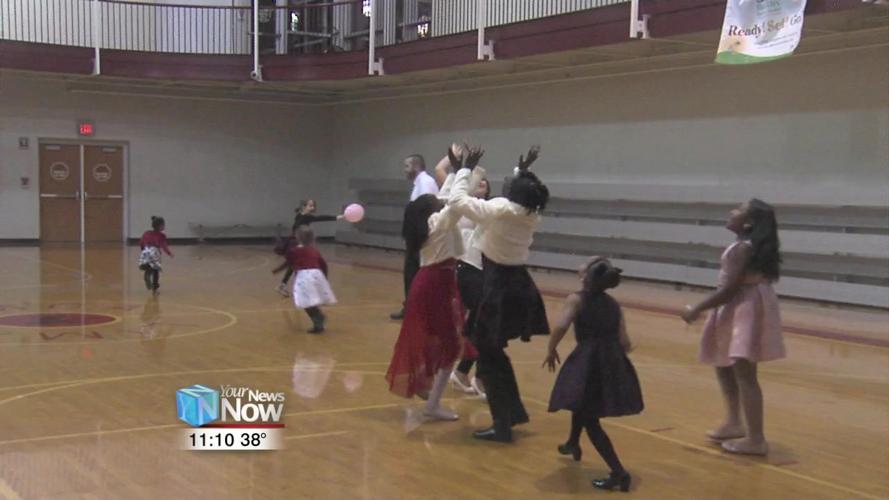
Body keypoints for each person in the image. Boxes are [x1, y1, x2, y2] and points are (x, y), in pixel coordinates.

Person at [448, 145, 550, 442]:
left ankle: (502, 425)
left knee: (489, 358)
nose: (504, 183)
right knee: (494, 354)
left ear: (513, 194)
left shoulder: (500, 209)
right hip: (519, 285)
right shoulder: (530, 212)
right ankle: (512, 413)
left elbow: (456, 200)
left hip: (499, 288)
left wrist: (465, 169)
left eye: (510, 183)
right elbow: (526, 192)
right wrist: (523, 170)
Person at [385, 151, 484, 420]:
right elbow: (454, 202)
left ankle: (428, 391)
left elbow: (449, 197)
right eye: (435, 201)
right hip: (434, 286)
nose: (439, 199)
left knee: (444, 342)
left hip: (433, 283)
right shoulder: (438, 223)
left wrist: (457, 170)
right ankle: (431, 403)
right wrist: (468, 170)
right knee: (450, 344)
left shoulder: (430, 220)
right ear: (431, 211)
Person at [681, 199, 784, 456]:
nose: (731, 212)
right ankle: (734, 421)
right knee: (724, 363)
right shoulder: (744, 247)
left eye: (738, 210)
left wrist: (697, 308)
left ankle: (756, 438)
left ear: (748, 223)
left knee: (745, 374)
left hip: (743, 308)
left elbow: (729, 290)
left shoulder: (743, 250)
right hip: (739, 306)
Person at [544, 257, 643, 492]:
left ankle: (618, 472)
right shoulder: (613, 304)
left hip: (589, 359)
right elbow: (625, 341)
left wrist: (551, 348)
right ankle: (572, 443)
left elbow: (561, 325)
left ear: (585, 276)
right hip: (611, 360)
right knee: (582, 402)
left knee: (590, 418)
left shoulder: (576, 299)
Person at [434, 144, 490, 397]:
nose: (481, 184)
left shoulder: (489, 210)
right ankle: (465, 371)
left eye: (484, 183)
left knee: (477, 323)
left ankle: (465, 370)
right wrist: (456, 160)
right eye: (478, 182)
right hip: (463, 267)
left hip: (480, 269)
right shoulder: (457, 207)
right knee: (475, 323)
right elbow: (442, 173)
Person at [390, 154, 439, 320]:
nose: (404, 170)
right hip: (416, 237)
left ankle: (416, 309)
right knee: (411, 274)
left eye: (406, 166)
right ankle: (412, 306)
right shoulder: (419, 183)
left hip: (421, 239)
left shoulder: (425, 182)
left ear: (416, 166)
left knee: (415, 274)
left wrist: (418, 238)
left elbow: (424, 209)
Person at [272, 226, 337, 334]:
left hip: (304, 276)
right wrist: (325, 278)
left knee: (305, 301)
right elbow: (323, 264)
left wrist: (276, 270)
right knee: (310, 300)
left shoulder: (294, 251)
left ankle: (318, 319)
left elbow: (288, 263)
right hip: (317, 274)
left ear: (298, 238)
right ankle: (318, 319)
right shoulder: (314, 251)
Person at [276, 200, 343, 297]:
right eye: (310, 206)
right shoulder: (306, 217)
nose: (313, 208)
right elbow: (320, 218)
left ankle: (283, 285)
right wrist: (337, 217)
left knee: (293, 265)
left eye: (313, 206)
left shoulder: (300, 215)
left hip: (296, 242)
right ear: (304, 206)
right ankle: (296, 288)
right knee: (298, 266)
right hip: (297, 243)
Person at [139, 216, 174, 293]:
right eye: (163, 225)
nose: (164, 226)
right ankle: (155, 287)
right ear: (160, 226)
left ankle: (147, 275)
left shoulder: (146, 233)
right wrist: (169, 253)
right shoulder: (161, 235)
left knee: (149, 267)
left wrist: (143, 251)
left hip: (146, 251)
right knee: (155, 270)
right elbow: (164, 246)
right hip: (154, 252)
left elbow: (141, 242)